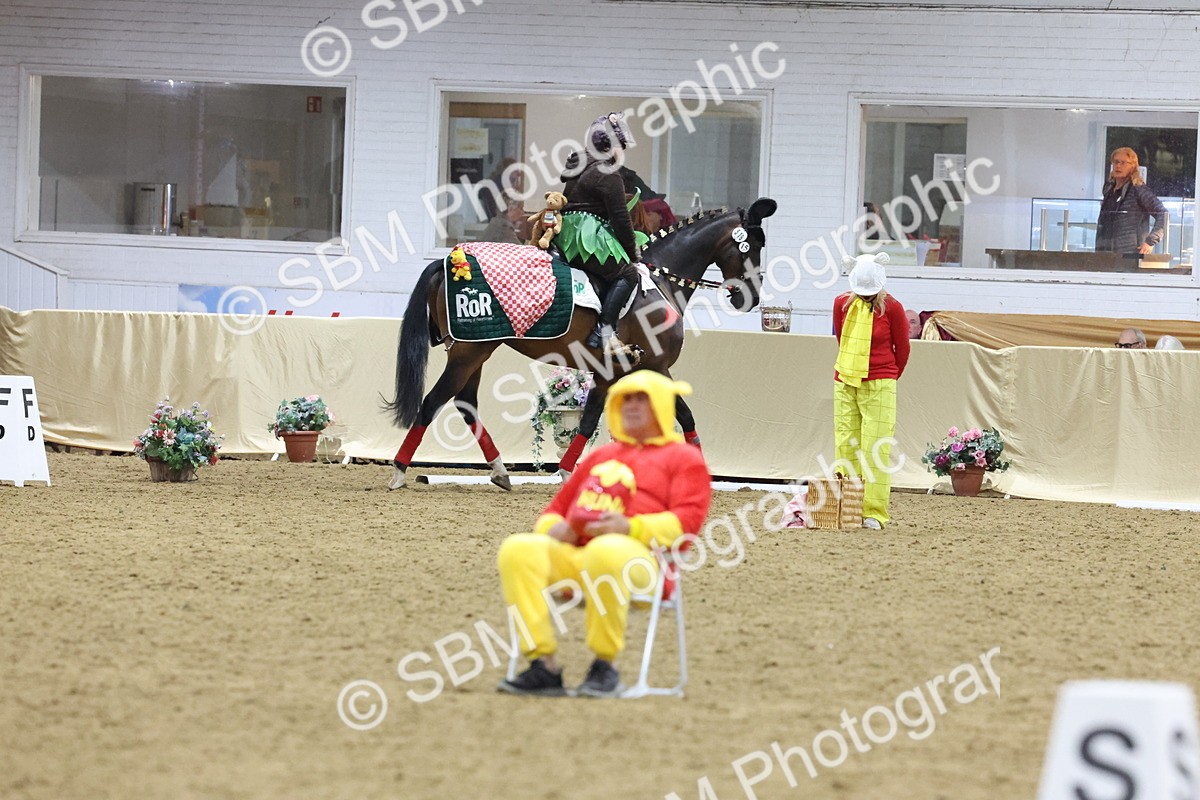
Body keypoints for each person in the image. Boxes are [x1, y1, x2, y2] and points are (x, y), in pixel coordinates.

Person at [496, 370, 711, 698]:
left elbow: (687, 524)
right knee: (519, 549)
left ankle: (604, 666)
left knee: (607, 550)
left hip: (645, 566)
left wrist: (631, 528)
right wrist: (556, 530)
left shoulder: (684, 459)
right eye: (626, 399)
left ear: (663, 406)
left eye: (643, 398)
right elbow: (553, 512)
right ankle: (543, 665)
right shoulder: (600, 456)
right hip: (581, 559)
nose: (632, 406)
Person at [833, 256, 910, 530]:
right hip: (845, 379)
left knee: (875, 447)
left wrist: (886, 375)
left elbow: (903, 350)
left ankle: (873, 512)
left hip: (880, 383)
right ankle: (848, 509)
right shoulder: (842, 304)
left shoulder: (894, 308)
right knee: (846, 443)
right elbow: (841, 338)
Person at [557, 113, 642, 350]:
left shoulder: (580, 166)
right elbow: (620, 218)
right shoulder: (607, 173)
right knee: (627, 274)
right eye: (621, 147)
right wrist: (631, 251)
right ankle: (604, 330)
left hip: (566, 233)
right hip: (585, 235)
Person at [1095, 147, 1167, 255]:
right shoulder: (1108, 188)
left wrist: (1150, 241)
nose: (1118, 166)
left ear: (1133, 166)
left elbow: (1163, 214)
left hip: (1130, 253)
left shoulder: (1138, 189)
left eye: (1123, 163)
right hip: (1104, 251)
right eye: (1116, 162)